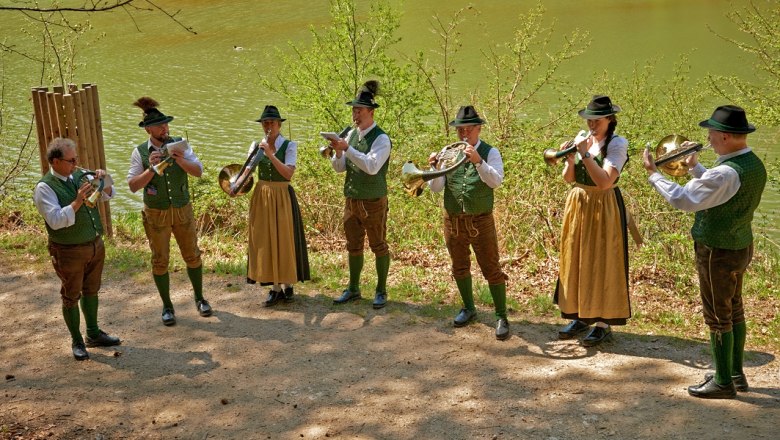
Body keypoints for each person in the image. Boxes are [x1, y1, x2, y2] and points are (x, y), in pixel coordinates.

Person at [642, 105, 766, 399]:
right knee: (734, 309)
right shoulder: (752, 164)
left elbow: (685, 200)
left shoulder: (724, 172)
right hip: (740, 245)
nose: (708, 138)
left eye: (711, 133)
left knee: (717, 315)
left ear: (724, 136)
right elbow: (721, 187)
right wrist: (695, 167)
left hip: (716, 250)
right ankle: (735, 373)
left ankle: (723, 381)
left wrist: (653, 174)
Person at [127, 97, 212, 326]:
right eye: (160, 125)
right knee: (160, 260)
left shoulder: (180, 144)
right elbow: (133, 186)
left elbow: (198, 172)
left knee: (192, 254)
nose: (165, 128)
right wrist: (151, 169)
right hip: (156, 213)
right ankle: (167, 306)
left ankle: (200, 298)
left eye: (166, 124)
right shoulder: (140, 153)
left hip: (182, 209)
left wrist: (181, 160)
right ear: (148, 130)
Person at [554, 95, 632, 347]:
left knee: (602, 261)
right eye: (590, 119)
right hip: (579, 203)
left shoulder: (617, 144)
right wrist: (569, 160)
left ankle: (602, 324)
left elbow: (605, 181)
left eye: (597, 120)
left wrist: (585, 154)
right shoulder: (583, 140)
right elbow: (569, 179)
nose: (592, 124)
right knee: (576, 258)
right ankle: (579, 315)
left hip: (604, 205)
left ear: (610, 120)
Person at [33, 137, 121, 360]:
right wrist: (77, 200)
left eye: (76, 159)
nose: (76, 164)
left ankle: (93, 334)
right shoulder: (45, 188)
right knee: (71, 295)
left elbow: (110, 195)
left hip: (94, 245)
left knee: (92, 290)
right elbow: (55, 220)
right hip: (68, 250)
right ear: (55, 161)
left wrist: (104, 180)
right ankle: (77, 340)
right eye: (71, 160)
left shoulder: (80, 176)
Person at [428, 105, 510, 340]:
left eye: (468, 130)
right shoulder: (448, 152)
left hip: (480, 220)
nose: (463, 135)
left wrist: (478, 161)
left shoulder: (490, 152)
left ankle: (501, 315)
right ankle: (468, 308)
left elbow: (495, 181)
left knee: (491, 268)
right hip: (452, 219)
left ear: (478, 129)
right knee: (459, 266)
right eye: (460, 130)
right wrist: (434, 169)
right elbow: (436, 188)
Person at [231, 105, 310, 306]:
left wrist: (270, 154)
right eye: (265, 123)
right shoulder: (256, 146)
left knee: (284, 239)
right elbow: (248, 169)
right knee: (266, 239)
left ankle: (288, 283)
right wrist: (235, 187)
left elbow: (288, 173)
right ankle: (275, 288)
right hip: (262, 195)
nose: (268, 126)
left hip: (282, 195)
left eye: (272, 123)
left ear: (279, 125)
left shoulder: (289, 146)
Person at [328, 80, 392, 309]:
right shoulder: (352, 135)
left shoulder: (382, 138)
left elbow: (371, 166)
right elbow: (339, 168)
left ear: (371, 112)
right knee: (353, 245)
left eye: (359, 110)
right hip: (352, 199)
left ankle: (381, 290)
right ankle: (353, 288)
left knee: (378, 245)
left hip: (373, 201)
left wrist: (347, 148)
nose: (355, 114)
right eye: (354, 110)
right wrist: (337, 152)